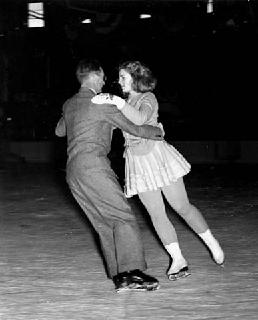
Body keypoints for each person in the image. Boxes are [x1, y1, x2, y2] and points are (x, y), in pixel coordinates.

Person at [92, 60, 225, 281]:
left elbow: (141, 119)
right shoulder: (122, 103)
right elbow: (112, 124)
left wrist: (114, 100)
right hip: (137, 163)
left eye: (123, 77)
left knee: (181, 206)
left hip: (157, 157)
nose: (119, 81)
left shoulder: (147, 98)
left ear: (135, 79)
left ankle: (213, 244)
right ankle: (178, 259)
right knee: (156, 215)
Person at [55, 59, 164, 293]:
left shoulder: (70, 103)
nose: (105, 81)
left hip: (73, 171)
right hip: (94, 167)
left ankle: (120, 276)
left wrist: (86, 120)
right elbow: (135, 128)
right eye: (103, 77)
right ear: (94, 77)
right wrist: (157, 132)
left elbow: (59, 130)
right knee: (123, 217)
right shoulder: (101, 103)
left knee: (104, 224)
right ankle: (133, 272)